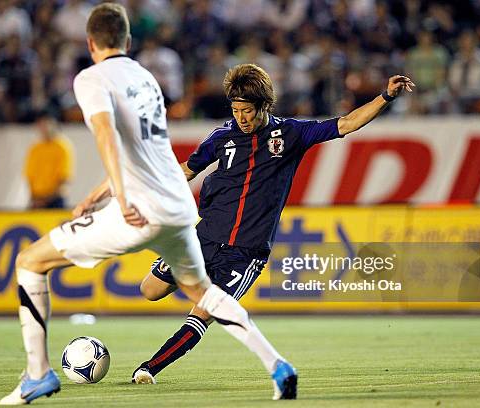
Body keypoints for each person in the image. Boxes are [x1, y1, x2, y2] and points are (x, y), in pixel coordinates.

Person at [0, 4, 296, 405]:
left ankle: (38, 375)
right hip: (179, 209)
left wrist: (117, 196)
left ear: (90, 43)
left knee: (30, 262)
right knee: (203, 294)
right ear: (129, 41)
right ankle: (278, 364)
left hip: (140, 205)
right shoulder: (146, 79)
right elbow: (147, 149)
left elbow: (107, 136)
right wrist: (99, 194)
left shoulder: (90, 78)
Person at [132, 64, 414, 383]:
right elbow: (188, 170)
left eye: (247, 111)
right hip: (203, 238)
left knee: (204, 313)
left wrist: (385, 96)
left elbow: (347, 123)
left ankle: (148, 369)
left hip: (245, 253)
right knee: (150, 290)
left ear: (264, 106)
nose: (241, 118)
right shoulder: (221, 138)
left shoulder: (291, 134)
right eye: (236, 110)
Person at [24, 111, 74, 209]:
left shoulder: (62, 146)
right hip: (37, 200)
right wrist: (35, 198)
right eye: (40, 125)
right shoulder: (35, 148)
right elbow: (29, 176)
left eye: (45, 124)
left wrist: (46, 200)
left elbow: (64, 179)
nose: (43, 129)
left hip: (55, 200)